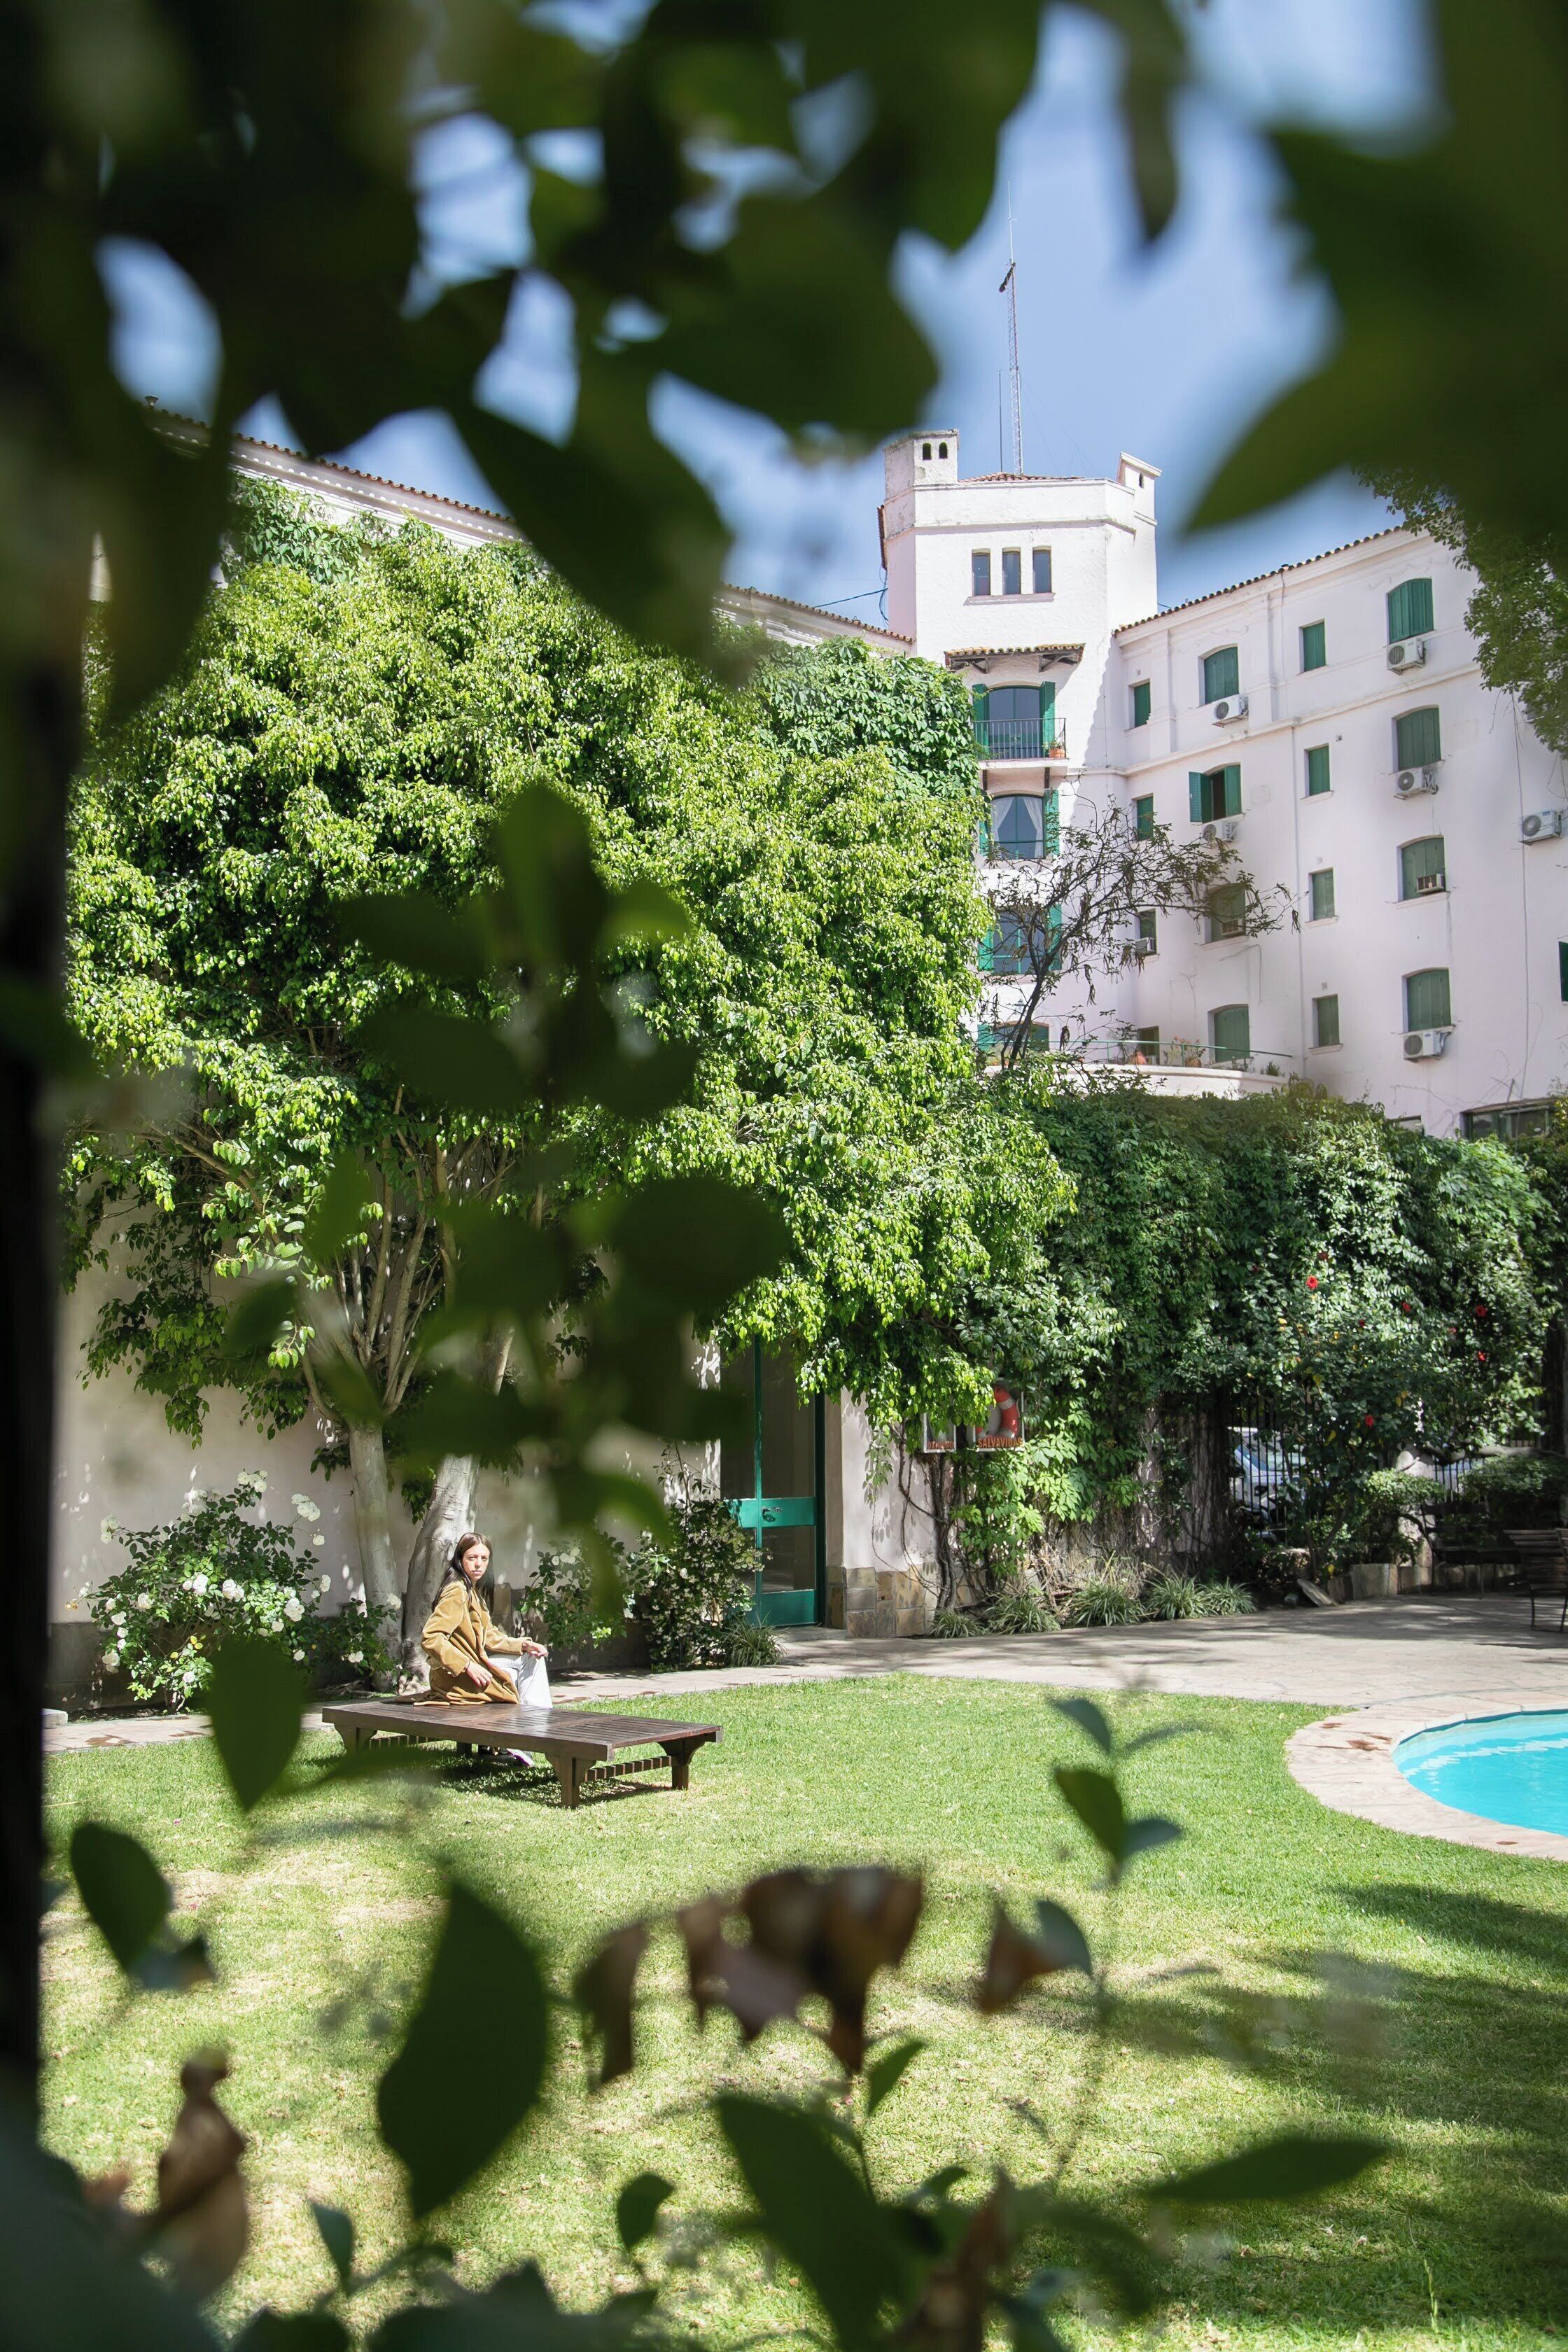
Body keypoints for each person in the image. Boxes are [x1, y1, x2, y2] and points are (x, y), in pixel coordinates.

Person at [421, 1534, 550, 1758]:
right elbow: (431, 1637)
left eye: (484, 1558)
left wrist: (523, 1645)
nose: (479, 1563)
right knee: (528, 1667)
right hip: (456, 1679)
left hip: (464, 1674)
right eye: (472, 1557)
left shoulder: (471, 1590)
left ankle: (529, 1734)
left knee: (531, 1657)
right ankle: (531, 1736)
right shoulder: (457, 1591)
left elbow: (489, 1636)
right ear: (460, 1560)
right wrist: (467, 1665)